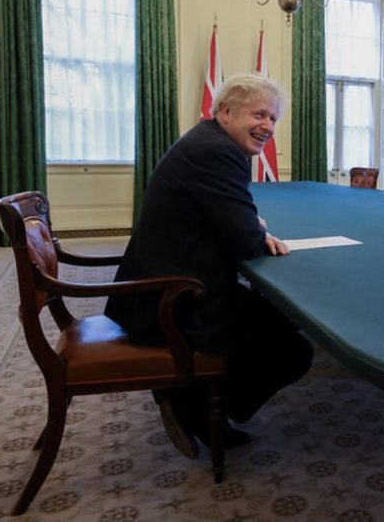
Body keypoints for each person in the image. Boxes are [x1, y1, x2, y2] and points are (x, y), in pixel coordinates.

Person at [105, 72, 312, 459]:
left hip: (162, 283)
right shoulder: (217, 152)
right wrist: (255, 228)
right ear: (226, 112)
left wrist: (250, 225)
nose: (268, 126)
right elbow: (245, 241)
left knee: (277, 318)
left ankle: (193, 395)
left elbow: (235, 223)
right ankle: (192, 403)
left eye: (273, 118)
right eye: (259, 115)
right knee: (293, 348)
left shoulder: (208, 140)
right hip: (172, 299)